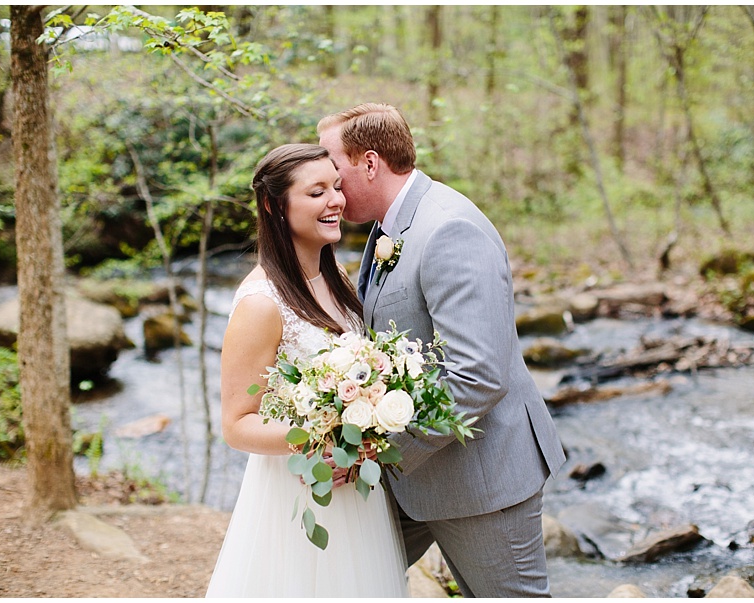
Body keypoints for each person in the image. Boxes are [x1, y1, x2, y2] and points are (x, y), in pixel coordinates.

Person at [318, 103, 567, 597]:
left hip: (482, 477)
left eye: (332, 165)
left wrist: (378, 451)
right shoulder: (387, 225)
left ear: (369, 164)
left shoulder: (450, 229)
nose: (327, 178)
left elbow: (477, 376)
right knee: (341, 582)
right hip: (419, 476)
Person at [205, 143, 409, 597]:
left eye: (336, 187)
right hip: (298, 491)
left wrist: (366, 437)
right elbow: (237, 425)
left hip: (354, 489)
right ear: (274, 205)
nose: (336, 200)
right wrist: (327, 442)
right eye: (316, 192)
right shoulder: (261, 303)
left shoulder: (336, 280)